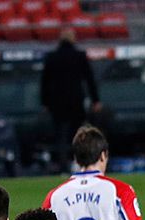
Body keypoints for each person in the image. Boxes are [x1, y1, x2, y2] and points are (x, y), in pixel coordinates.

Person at [41, 28, 102, 172]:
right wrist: (95, 100)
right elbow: (89, 79)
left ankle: (63, 167)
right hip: (76, 101)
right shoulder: (79, 56)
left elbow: (44, 82)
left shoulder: (52, 56)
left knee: (60, 137)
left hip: (57, 103)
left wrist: (44, 102)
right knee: (79, 135)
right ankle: (80, 164)